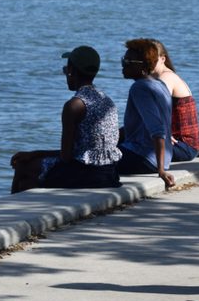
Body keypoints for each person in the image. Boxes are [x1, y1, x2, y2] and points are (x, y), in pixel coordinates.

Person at [10, 46, 122, 193]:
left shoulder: (74, 105)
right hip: (110, 174)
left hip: (87, 175)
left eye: (65, 70)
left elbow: (66, 156)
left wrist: (34, 155)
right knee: (30, 180)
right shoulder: (107, 101)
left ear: (71, 71)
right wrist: (36, 154)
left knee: (23, 167)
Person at [118, 38, 177, 188]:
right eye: (123, 60)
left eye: (128, 62)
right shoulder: (160, 85)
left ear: (144, 66)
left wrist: (161, 171)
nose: (123, 66)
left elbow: (158, 130)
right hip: (159, 158)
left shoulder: (139, 88)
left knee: (87, 159)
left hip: (142, 158)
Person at [150, 39, 199, 162]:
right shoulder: (164, 77)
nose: (148, 62)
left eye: (152, 58)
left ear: (163, 58)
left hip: (183, 146)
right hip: (186, 145)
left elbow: (159, 108)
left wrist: (163, 133)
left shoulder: (166, 78)